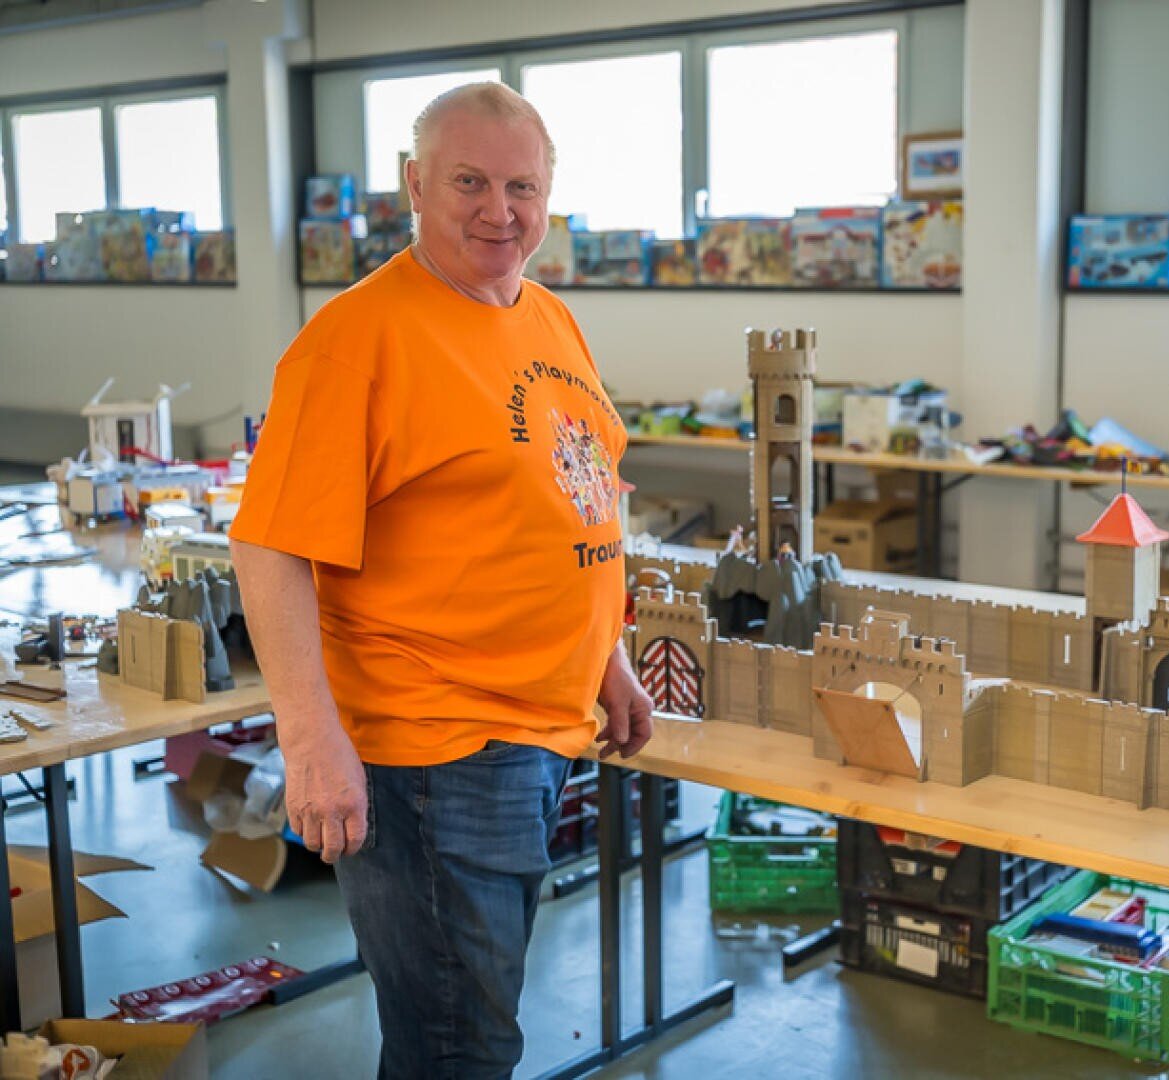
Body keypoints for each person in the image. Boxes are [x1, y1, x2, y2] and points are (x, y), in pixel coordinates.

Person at [229, 82, 653, 1079]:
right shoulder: (356, 341)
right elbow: (270, 546)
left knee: (470, 1026)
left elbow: (576, 495)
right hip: (431, 751)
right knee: (457, 1045)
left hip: (534, 731)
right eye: (468, 181)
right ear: (413, 184)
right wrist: (310, 738)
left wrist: (608, 658)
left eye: (522, 186)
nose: (498, 211)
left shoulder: (548, 318)